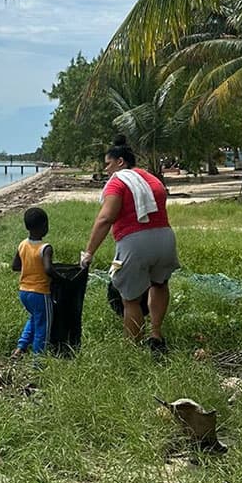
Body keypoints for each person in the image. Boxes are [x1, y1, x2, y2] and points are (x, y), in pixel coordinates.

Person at [80, 135, 179, 351]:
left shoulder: (118, 181)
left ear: (120, 162)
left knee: (131, 298)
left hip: (136, 243)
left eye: (108, 164)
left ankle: (132, 349)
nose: (106, 170)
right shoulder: (152, 179)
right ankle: (156, 334)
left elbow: (106, 218)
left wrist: (89, 252)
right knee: (160, 284)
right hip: (165, 238)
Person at [11, 207, 54, 356]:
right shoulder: (45, 248)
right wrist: (59, 276)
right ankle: (38, 361)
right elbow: (48, 269)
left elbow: (15, 266)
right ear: (44, 226)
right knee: (43, 326)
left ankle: (21, 347)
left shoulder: (22, 245)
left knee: (35, 318)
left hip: (24, 292)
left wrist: (30, 266)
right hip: (41, 293)